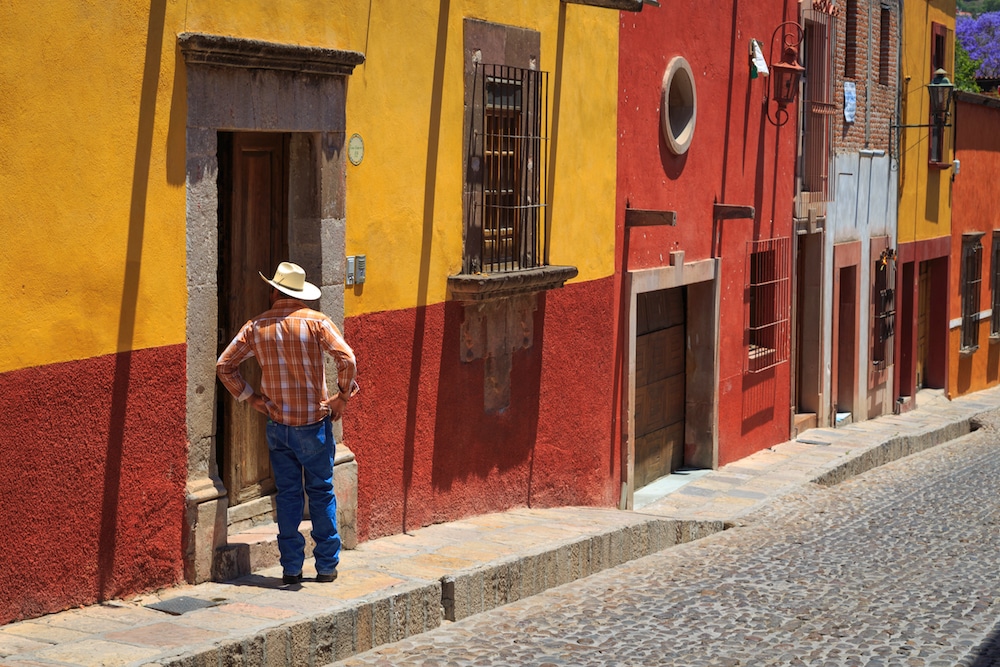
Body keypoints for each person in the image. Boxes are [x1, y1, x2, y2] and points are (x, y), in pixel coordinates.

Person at [217, 262, 358, 584]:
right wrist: (342, 397)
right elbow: (347, 358)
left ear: (273, 292)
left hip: (278, 425)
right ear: (301, 294)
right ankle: (326, 566)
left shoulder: (256, 326)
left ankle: (291, 568)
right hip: (313, 424)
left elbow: (224, 365)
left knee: (289, 494)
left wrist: (252, 398)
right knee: (321, 493)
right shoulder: (316, 322)